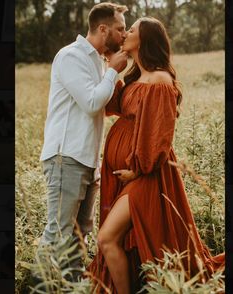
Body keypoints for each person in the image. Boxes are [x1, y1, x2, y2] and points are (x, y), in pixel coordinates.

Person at [89, 17, 225, 293]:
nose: (125, 33)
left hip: (147, 175)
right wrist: (114, 69)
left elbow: (160, 134)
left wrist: (138, 168)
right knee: (118, 238)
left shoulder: (161, 80)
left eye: (132, 29)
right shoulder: (137, 77)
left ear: (146, 39)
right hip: (129, 173)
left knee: (107, 238)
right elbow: (112, 106)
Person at [37, 2, 128, 278]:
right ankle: (37, 285)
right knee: (58, 235)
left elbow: (105, 104)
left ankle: (72, 287)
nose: (124, 35)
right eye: (120, 29)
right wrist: (113, 70)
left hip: (87, 160)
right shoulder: (71, 56)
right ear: (103, 29)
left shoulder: (98, 60)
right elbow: (91, 102)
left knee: (79, 238)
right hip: (66, 158)